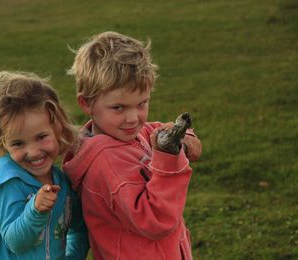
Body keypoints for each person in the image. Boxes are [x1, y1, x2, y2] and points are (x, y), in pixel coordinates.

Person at [63, 31, 202, 260]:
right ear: (86, 103)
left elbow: (158, 129)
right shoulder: (107, 163)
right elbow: (156, 220)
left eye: (141, 104)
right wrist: (169, 160)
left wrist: (184, 136)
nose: (133, 118)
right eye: (118, 107)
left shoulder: (130, 133)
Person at [0, 71, 89, 260]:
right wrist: (36, 210)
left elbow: (80, 229)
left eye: (41, 137)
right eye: (18, 143)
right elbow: (16, 242)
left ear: (58, 128)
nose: (33, 152)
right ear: (3, 141)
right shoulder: (6, 179)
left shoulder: (62, 182)